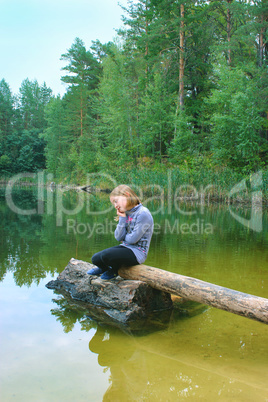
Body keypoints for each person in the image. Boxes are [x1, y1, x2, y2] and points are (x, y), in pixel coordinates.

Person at [87, 184, 154, 280]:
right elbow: (118, 237)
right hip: (125, 247)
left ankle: (115, 271)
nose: (115, 206)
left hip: (137, 253)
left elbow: (132, 240)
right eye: (113, 203)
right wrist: (122, 219)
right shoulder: (126, 212)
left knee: (106, 256)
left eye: (116, 201)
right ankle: (104, 268)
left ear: (127, 195)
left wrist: (124, 238)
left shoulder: (143, 213)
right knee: (95, 258)